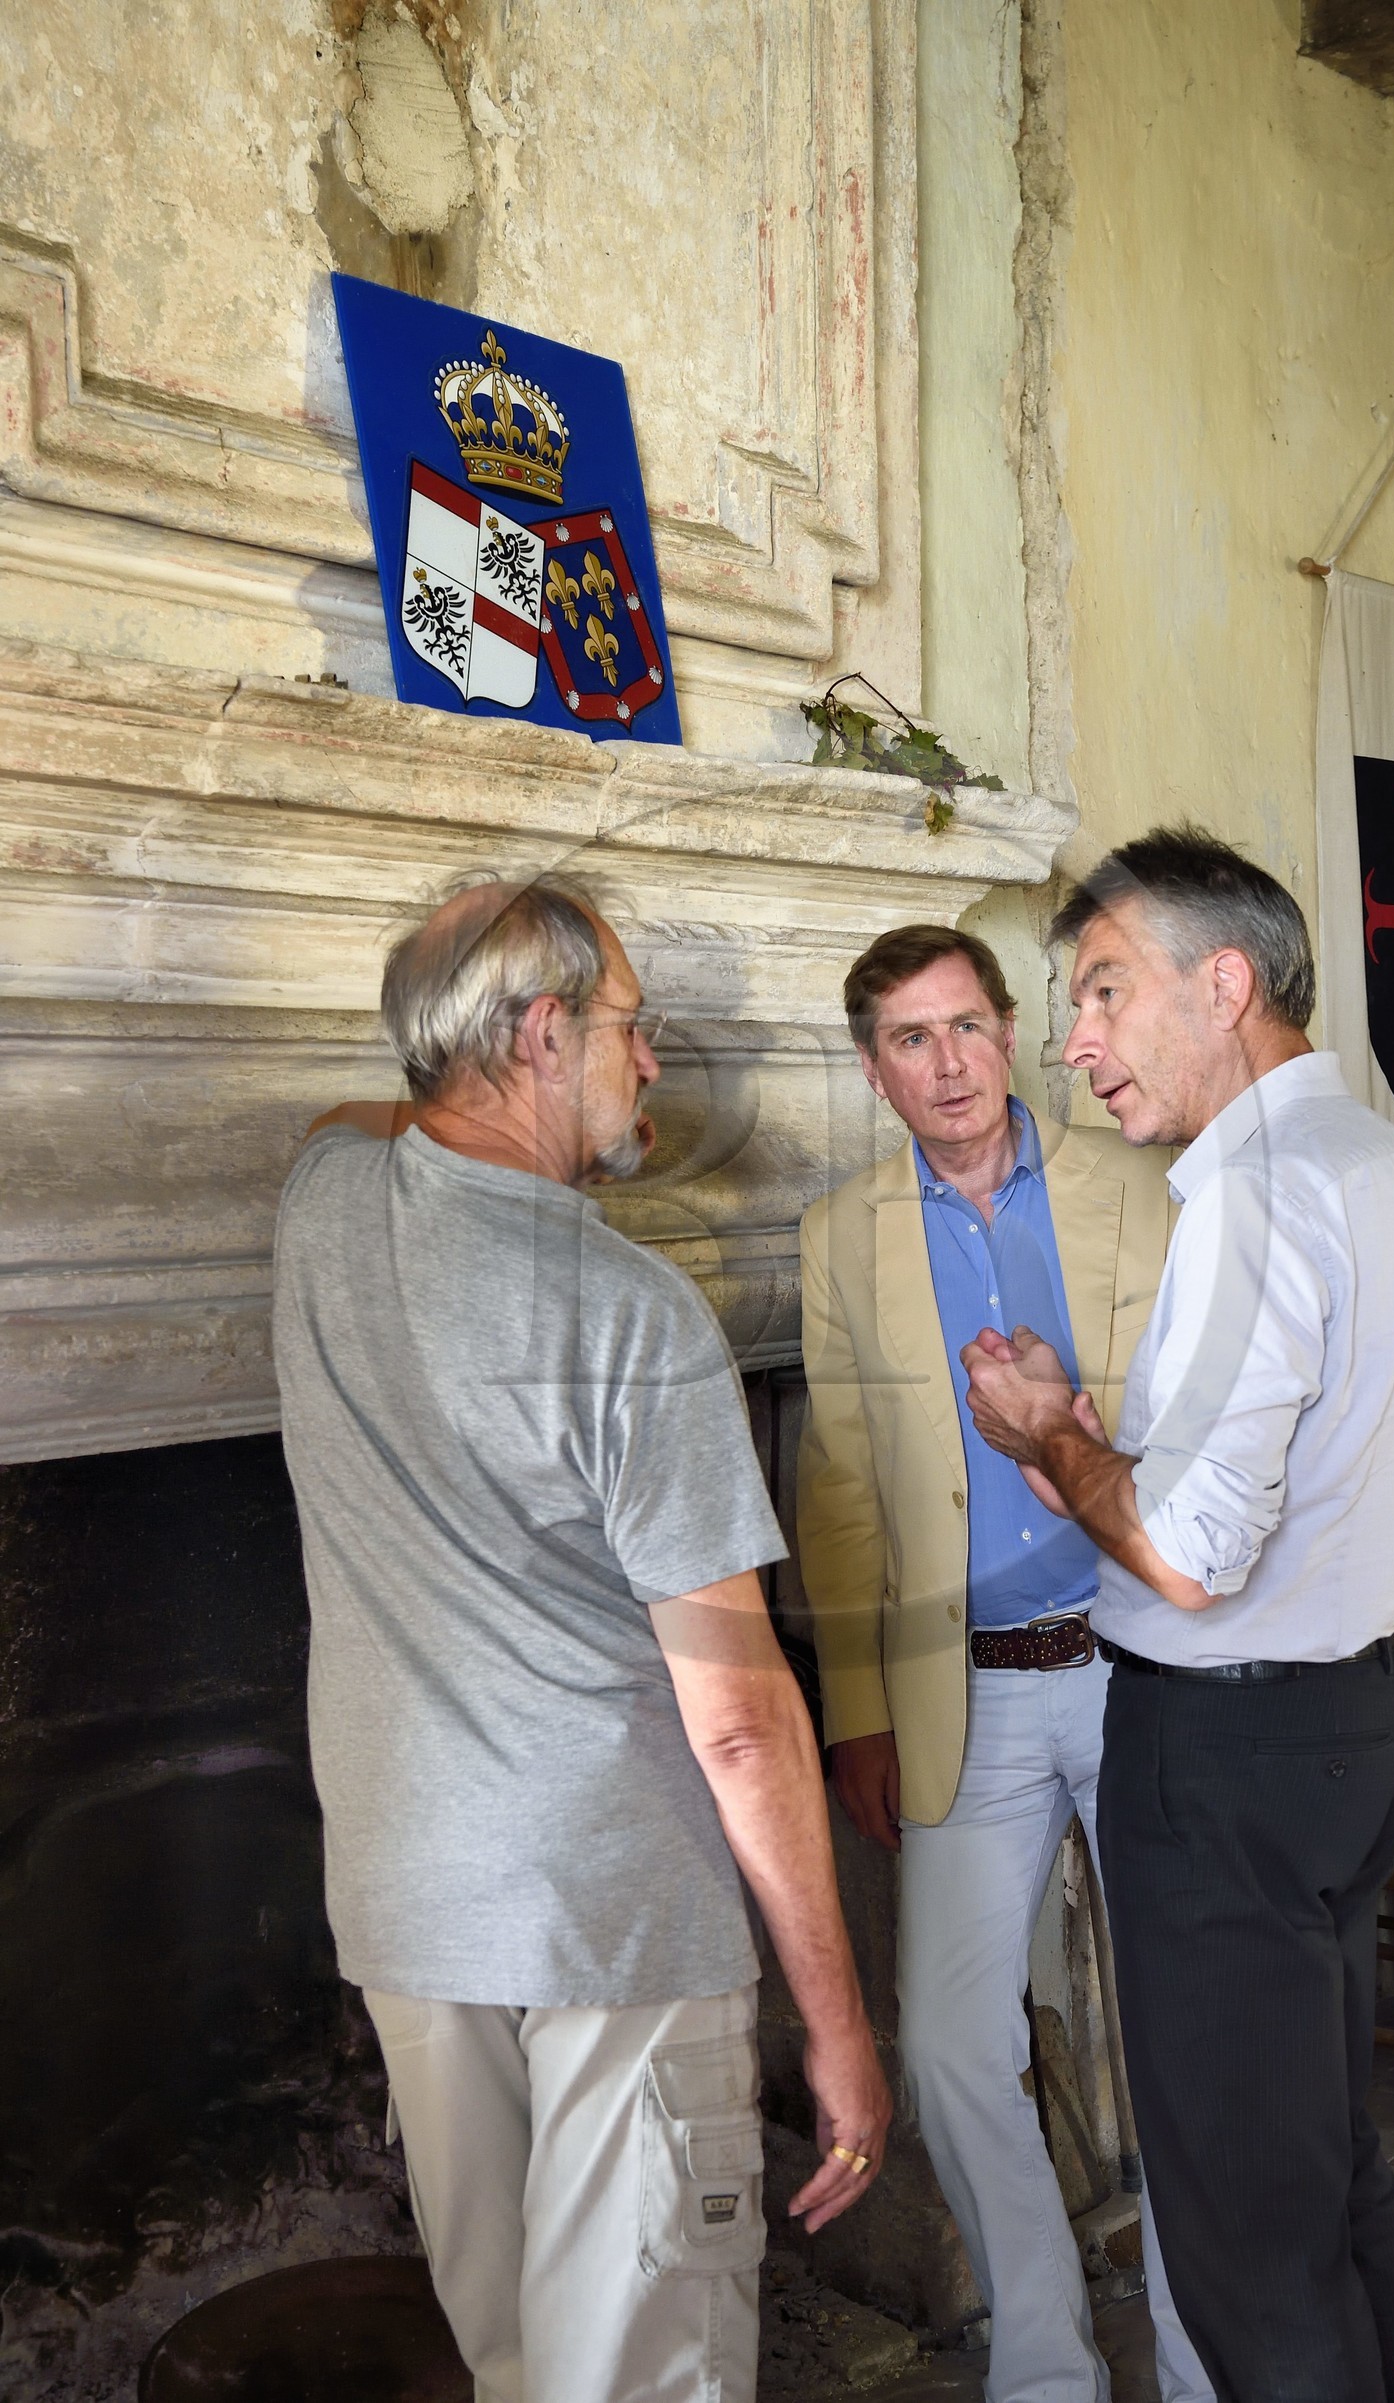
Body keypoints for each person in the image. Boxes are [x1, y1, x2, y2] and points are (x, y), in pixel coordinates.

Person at [273, 873, 890, 2403]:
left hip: (410, 1912)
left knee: (513, 2364)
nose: (653, 1062)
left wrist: (448, 1092)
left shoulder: (322, 1208)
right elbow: (740, 1719)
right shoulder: (633, 1316)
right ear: (541, 1035)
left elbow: (351, 1122)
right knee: (636, 2379)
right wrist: (837, 2024)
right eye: (630, 1027)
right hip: (614, 1927)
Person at [962, 826, 1394, 2403]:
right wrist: (1099, 1457)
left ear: (1227, 983)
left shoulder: (1256, 1195)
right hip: (1369, 1714)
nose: (1076, 1041)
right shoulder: (1390, 1166)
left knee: (1251, 2253)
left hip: (1234, 1757)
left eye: (1106, 989)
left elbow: (1190, 1558)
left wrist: (1047, 1437)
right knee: (1327, 2181)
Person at [795, 922, 1214, 2403]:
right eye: (911, 1040)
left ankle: (1203, 2364)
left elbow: (1205, 1421)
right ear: (874, 1070)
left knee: (1181, 2035)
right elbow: (841, 1486)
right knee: (953, 2046)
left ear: (1012, 1030)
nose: (949, 1063)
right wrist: (857, 1709)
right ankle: (1046, 2375)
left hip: (1141, 1667)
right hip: (960, 1692)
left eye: (967, 1025)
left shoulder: (1140, 1189)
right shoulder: (840, 1233)